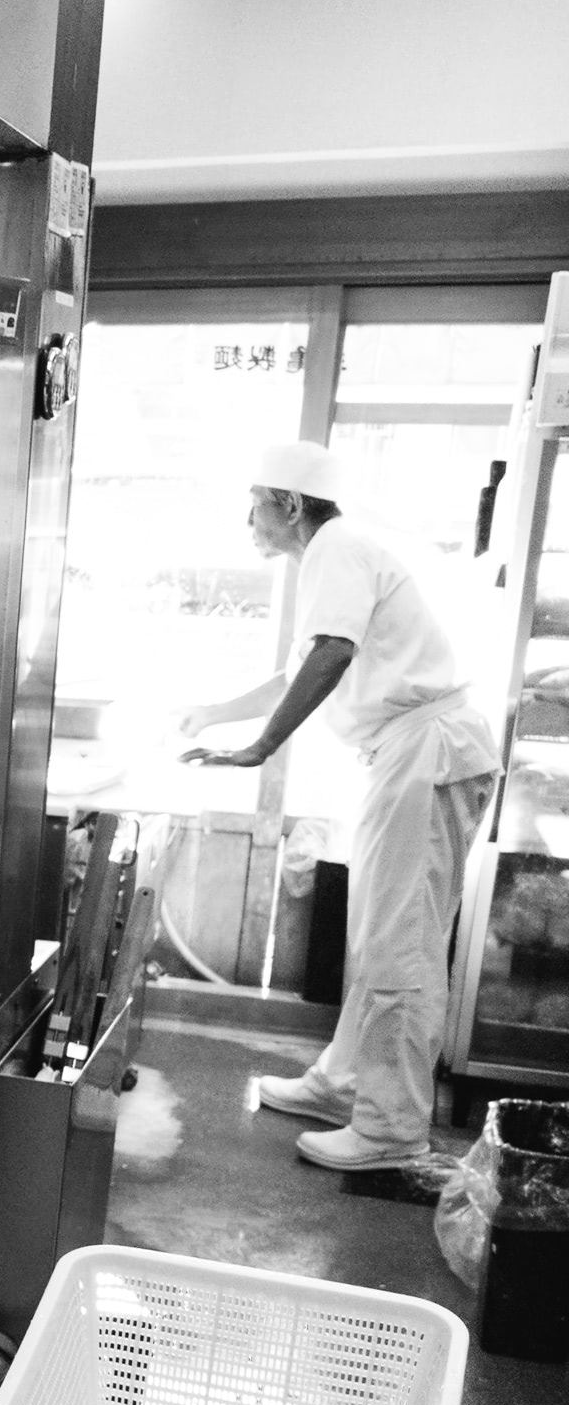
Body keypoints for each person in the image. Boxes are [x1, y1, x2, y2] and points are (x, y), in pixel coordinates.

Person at [181, 438, 499, 1170]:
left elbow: (332, 655)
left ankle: (390, 1130)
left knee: (401, 943)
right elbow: (299, 667)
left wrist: (260, 748)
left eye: (256, 503)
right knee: (380, 934)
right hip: (411, 753)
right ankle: (344, 1084)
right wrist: (212, 713)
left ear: (290, 505)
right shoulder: (332, 557)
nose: (248, 519)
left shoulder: (337, 547)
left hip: (426, 751)